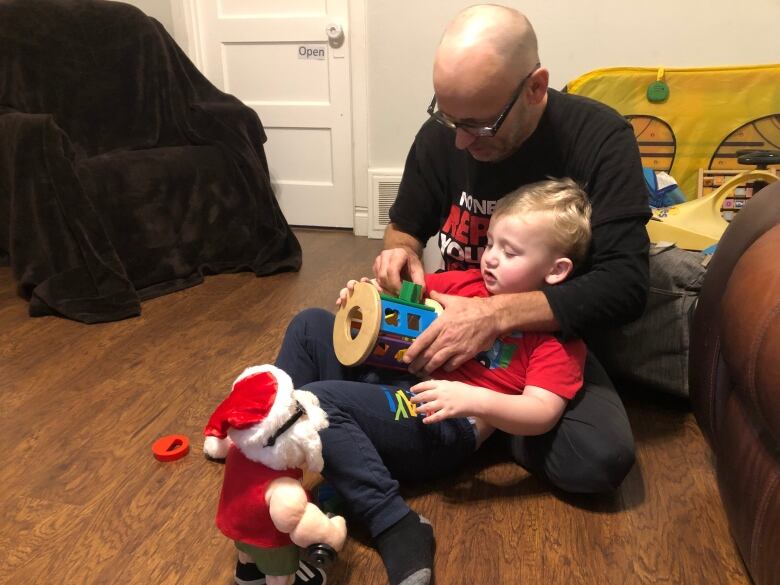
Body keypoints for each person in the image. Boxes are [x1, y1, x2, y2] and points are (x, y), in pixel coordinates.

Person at [376, 3, 649, 494]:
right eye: (447, 117)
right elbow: (404, 228)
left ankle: (497, 419)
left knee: (598, 460)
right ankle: (492, 418)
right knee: (346, 357)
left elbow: (625, 286)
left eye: (480, 126)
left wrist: (495, 316)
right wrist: (398, 252)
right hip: (450, 327)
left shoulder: (600, 137)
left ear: (535, 87)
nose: (459, 141)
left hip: (539, 350)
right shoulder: (446, 133)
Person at [272, 178, 594, 585]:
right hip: (397, 382)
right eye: (491, 243)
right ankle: (272, 446)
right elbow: (399, 296)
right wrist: (363, 296)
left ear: (556, 270)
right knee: (310, 324)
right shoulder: (466, 283)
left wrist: (473, 399)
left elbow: (541, 412)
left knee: (318, 403)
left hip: (442, 421)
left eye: (509, 252)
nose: (491, 258)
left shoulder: (555, 339)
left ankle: (394, 522)